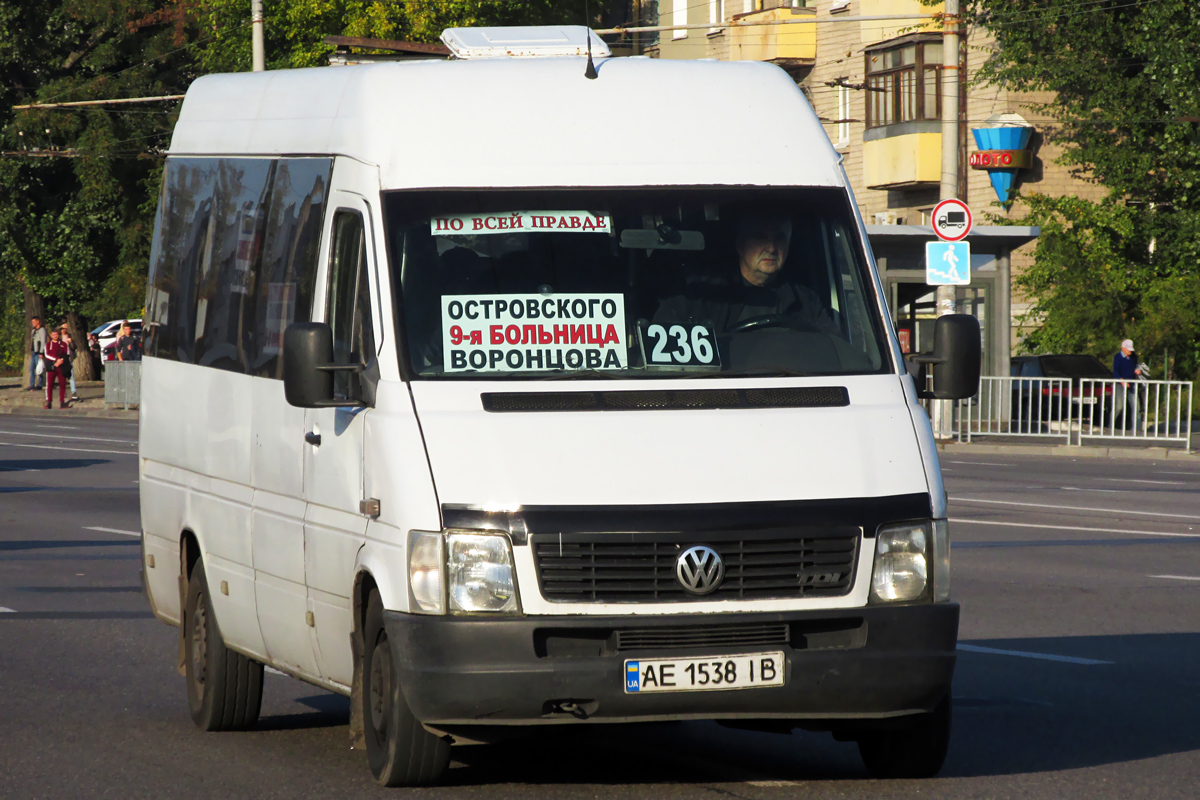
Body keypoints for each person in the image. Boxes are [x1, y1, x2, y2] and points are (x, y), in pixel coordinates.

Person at [653, 211, 838, 366]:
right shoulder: (698, 295)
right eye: (760, 237)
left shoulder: (805, 302)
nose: (772, 248)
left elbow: (837, 354)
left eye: (779, 238)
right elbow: (662, 359)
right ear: (740, 244)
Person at [1112, 338, 1141, 431]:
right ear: (1123, 348)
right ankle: (1110, 427)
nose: (1130, 351)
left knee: (1136, 407)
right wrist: (1122, 381)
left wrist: (1138, 371)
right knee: (1119, 407)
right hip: (1120, 384)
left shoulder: (1134, 357)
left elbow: (1136, 366)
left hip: (1132, 384)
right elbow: (1115, 372)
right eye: (1128, 349)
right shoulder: (1117, 357)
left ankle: (1137, 429)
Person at [42, 328, 70, 409]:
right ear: (51, 335)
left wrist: (61, 360)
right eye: (53, 334)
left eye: (56, 334)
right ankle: (49, 402)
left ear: (59, 335)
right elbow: (47, 355)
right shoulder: (48, 345)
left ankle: (62, 402)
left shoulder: (64, 344)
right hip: (51, 366)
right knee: (49, 384)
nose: (55, 336)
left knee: (62, 384)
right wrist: (55, 360)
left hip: (61, 366)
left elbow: (67, 353)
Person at [60, 325, 80, 402]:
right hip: (61, 358)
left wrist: (71, 342)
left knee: (71, 375)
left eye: (65, 328)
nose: (64, 330)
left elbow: (74, 347)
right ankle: (63, 392)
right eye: (62, 328)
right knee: (62, 376)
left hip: (68, 357)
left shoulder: (69, 337)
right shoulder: (59, 338)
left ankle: (73, 392)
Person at [27, 316, 47, 391]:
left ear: (38, 321)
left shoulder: (42, 330)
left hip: (39, 352)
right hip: (34, 351)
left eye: (34, 322)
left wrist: (41, 352)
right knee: (31, 368)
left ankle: (40, 384)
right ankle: (32, 384)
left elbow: (43, 341)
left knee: (39, 369)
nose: (32, 323)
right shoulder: (34, 331)